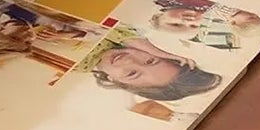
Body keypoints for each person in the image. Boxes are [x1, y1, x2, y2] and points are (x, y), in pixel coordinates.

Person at [90, 34, 222, 102]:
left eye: (132, 73)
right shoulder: (122, 38)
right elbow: (121, 32)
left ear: (112, 79)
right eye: (150, 60)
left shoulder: (80, 65)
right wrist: (162, 53)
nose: (129, 61)